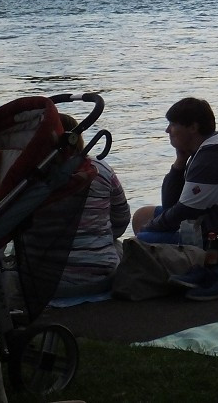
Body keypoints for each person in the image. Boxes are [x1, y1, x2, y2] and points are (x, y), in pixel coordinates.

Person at [24, 113, 131, 298]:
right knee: (117, 245)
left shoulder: (24, 181)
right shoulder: (101, 170)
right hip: (100, 280)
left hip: (38, 285)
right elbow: (121, 219)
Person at [131, 98, 218, 243]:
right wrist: (179, 163)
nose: (167, 130)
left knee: (142, 240)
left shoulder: (211, 160)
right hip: (210, 219)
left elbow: (181, 213)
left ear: (193, 128)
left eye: (173, 124)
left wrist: (147, 229)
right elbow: (171, 205)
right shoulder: (207, 149)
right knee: (141, 216)